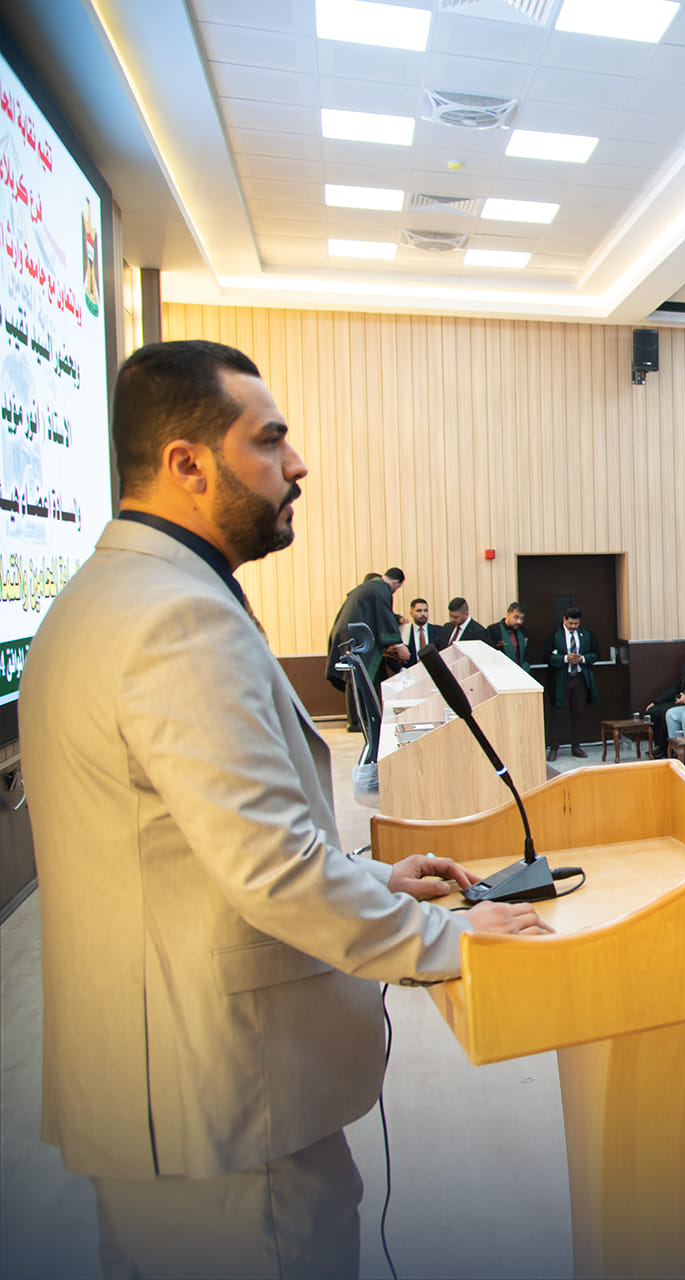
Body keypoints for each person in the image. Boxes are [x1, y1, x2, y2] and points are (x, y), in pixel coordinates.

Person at [19, 340, 553, 1278]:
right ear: (187, 463)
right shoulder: (174, 618)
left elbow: (194, 845)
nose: (296, 464)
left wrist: (370, 878)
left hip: (171, 1093)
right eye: (269, 441)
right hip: (224, 1101)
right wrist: (453, 940)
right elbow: (269, 870)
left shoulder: (120, 591)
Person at [325, 566, 407, 730]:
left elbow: (373, 612)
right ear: (396, 582)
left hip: (347, 634)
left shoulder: (368, 587)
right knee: (360, 677)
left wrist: (397, 618)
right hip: (358, 637)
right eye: (397, 589)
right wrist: (399, 645)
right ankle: (359, 721)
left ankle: (360, 720)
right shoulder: (382, 588)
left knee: (359, 676)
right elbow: (383, 614)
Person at [548, 607, 601, 759]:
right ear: (564, 620)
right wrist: (565, 658)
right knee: (558, 714)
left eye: (576, 624)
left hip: (579, 679)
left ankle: (576, 746)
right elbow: (546, 656)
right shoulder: (554, 635)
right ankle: (554, 748)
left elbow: (596, 653)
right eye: (570, 623)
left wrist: (583, 658)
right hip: (562, 679)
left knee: (578, 713)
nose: (573, 626)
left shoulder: (586, 634)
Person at [488, 599, 534, 672]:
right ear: (508, 614)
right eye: (516, 617)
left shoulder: (523, 632)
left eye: (522, 618)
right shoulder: (493, 630)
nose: (519, 621)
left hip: (521, 673)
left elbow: (528, 655)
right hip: (502, 672)